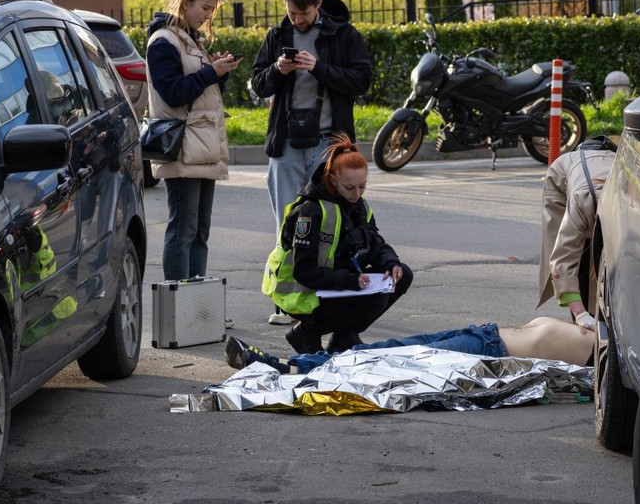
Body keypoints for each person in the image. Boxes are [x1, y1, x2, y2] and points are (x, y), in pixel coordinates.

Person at [250, 0, 373, 325]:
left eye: (302, 13)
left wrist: (318, 68)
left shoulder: (342, 34)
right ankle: (288, 303)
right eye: (290, 13)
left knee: (331, 225)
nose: (296, 20)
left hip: (327, 144)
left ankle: (330, 300)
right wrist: (278, 69)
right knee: (287, 225)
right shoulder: (277, 36)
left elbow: (361, 80)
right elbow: (258, 83)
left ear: (318, 3)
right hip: (286, 141)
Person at [262, 134, 411, 354]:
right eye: (350, 187)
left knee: (402, 276)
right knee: (375, 300)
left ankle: (344, 337)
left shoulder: (358, 205)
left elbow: (375, 242)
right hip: (303, 295)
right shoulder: (311, 211)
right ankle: (307, 331)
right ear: (332, 179)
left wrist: (391, 263)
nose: (357, 194)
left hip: (334, 285)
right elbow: (304, 272)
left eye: (362, 186)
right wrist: (350, 281)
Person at [145, 0, 242, 280]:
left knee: (199, 230)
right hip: (184, 146)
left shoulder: (190, 40)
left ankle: (200, 302)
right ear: (186, 1)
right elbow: (174, 94)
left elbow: (201, 96)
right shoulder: (163, 42)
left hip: (202, 145)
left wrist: (218, 73)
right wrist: (210, 73)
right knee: (184, 229)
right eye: (205, 7)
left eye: (212, 9)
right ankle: (179, 304)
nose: (208, 15)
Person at [225, 317, 594, 375]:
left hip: (490, 351)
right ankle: (294, 363)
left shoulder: (619, 354)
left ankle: (285, 365)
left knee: (384, 357)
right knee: (386, 347)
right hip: (486, 335)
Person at [537, 138, 617, 330]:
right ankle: (583, 317)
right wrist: (581, 314)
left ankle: (602, 316)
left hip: (607, 167)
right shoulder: (584, 202)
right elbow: (562, 260)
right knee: (575, 251)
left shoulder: (636, 204)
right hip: (564, 181)